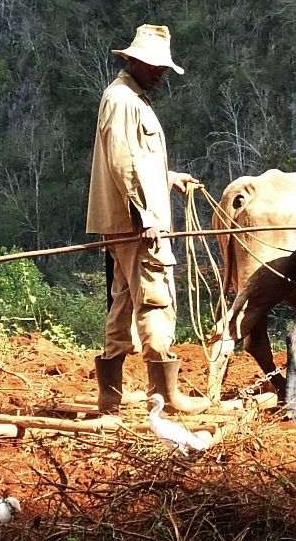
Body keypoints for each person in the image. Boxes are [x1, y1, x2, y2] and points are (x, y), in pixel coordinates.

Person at [86, 24, 210, 415]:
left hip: (124, 225)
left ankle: (112, 394)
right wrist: (145, 214)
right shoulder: (124, 101)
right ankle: (166, 396)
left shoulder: (127, 98)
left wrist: (168, 178)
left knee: (123, 301)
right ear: (134, 61)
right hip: (139, 226)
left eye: (163, 67)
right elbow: (123, 161)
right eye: (154, 66)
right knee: (156, 298)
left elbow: (136, 160)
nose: (160, 73)